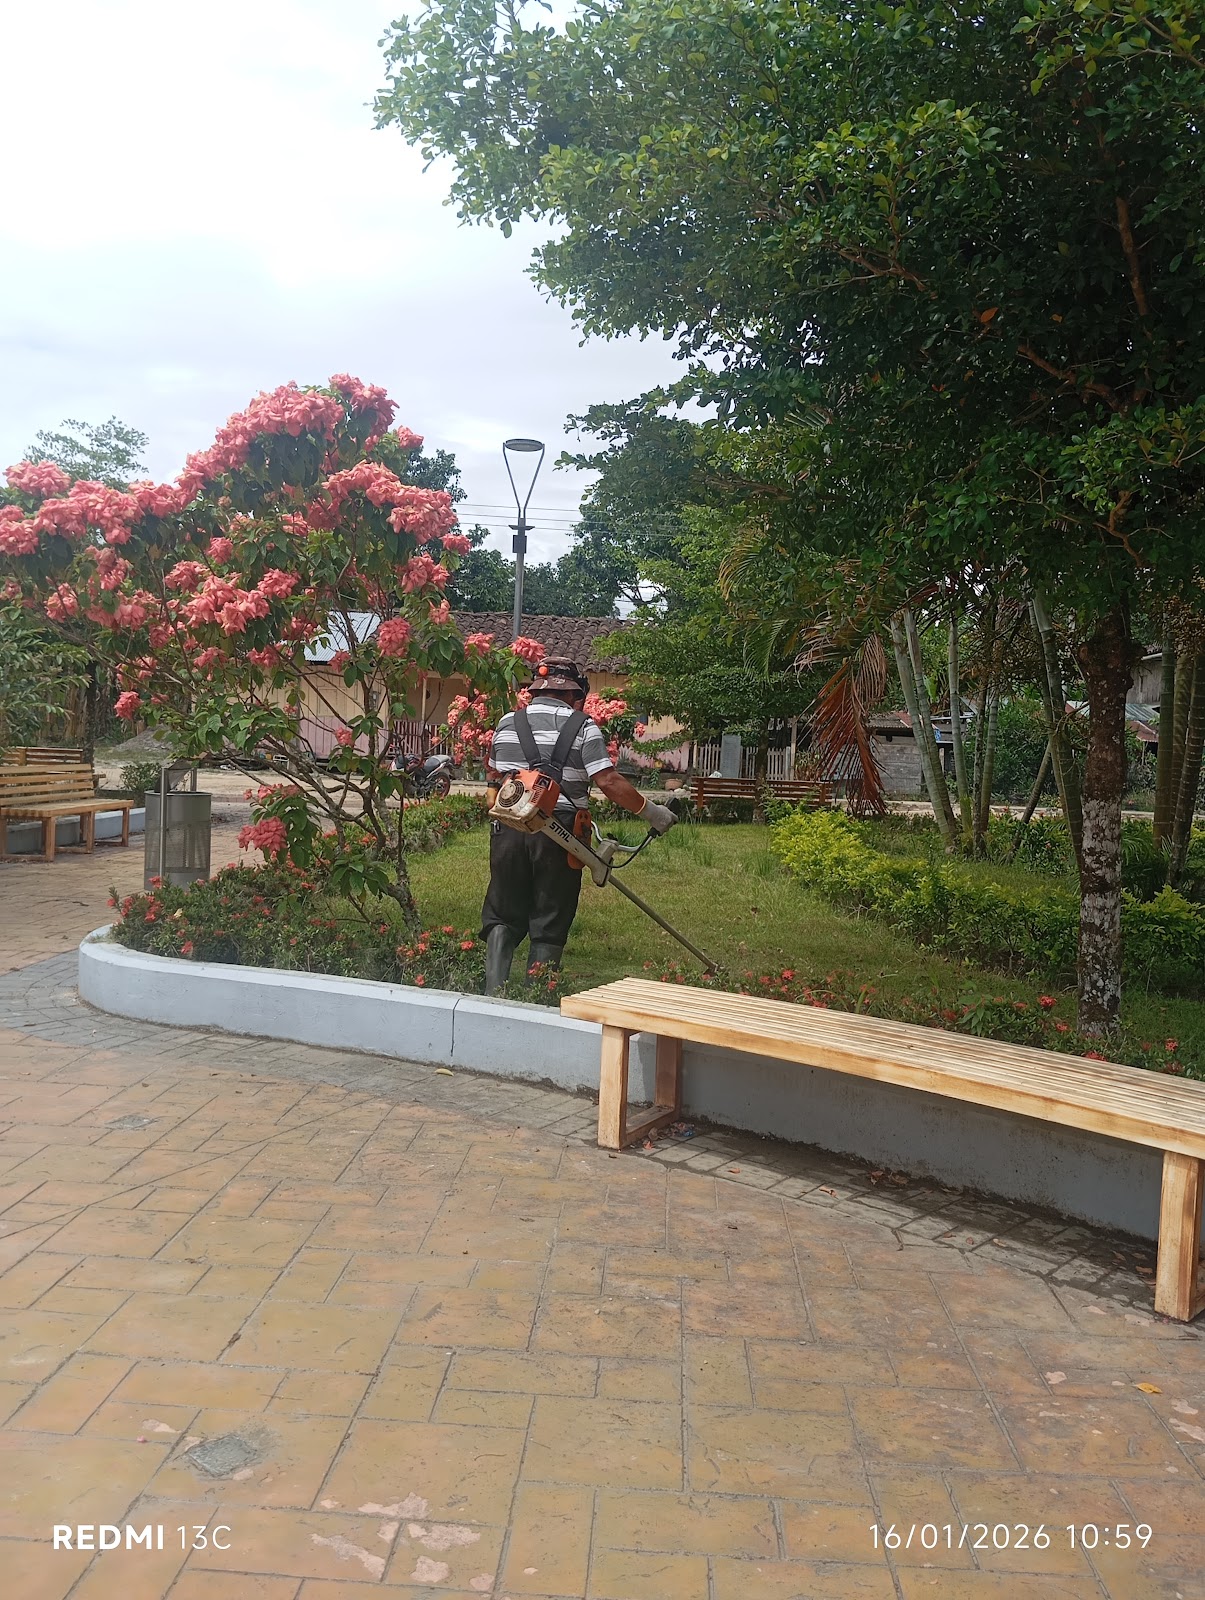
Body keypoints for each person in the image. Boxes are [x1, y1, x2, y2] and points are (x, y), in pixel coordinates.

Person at [482, 656, 677, 992]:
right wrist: (654, 814)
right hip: (560, 835)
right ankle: (537, 997)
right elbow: (608, 781)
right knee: (550, 918)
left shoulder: (507, 722)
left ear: (535, 691)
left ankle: (492, 993)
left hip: (509, 827)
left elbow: (494, 774)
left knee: (503, 913)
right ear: (575, 693)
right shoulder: (583, 727)